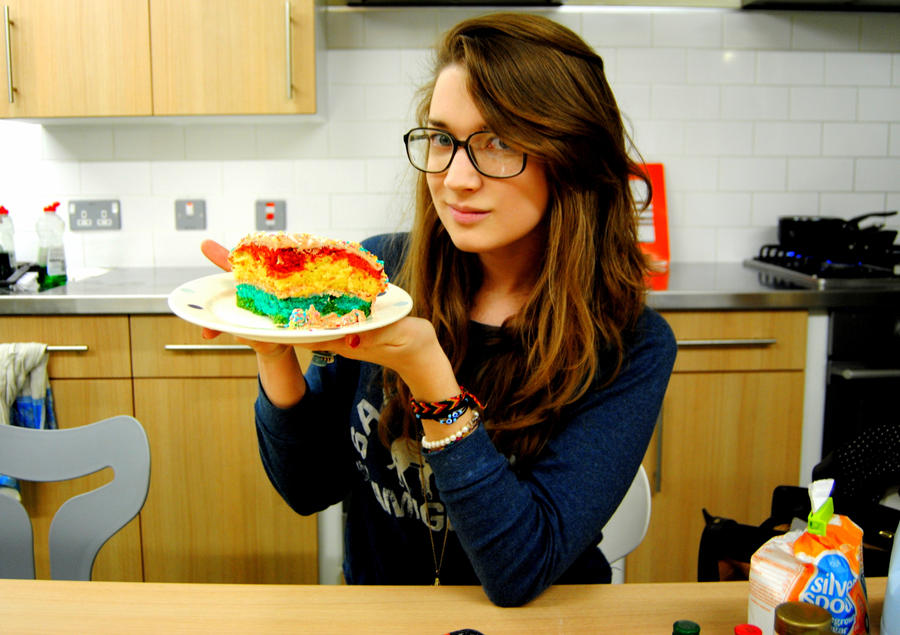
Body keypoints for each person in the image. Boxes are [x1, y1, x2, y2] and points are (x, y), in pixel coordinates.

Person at [200, 12, 676, 607]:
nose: (455, 179)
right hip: (382, 616)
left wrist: (433, 384)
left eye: (498, 142)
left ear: (571, 156)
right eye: (443, 139)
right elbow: (308, 485)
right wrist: (274, 356)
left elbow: (520, 571)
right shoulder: (384, 278)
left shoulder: (630, 345)